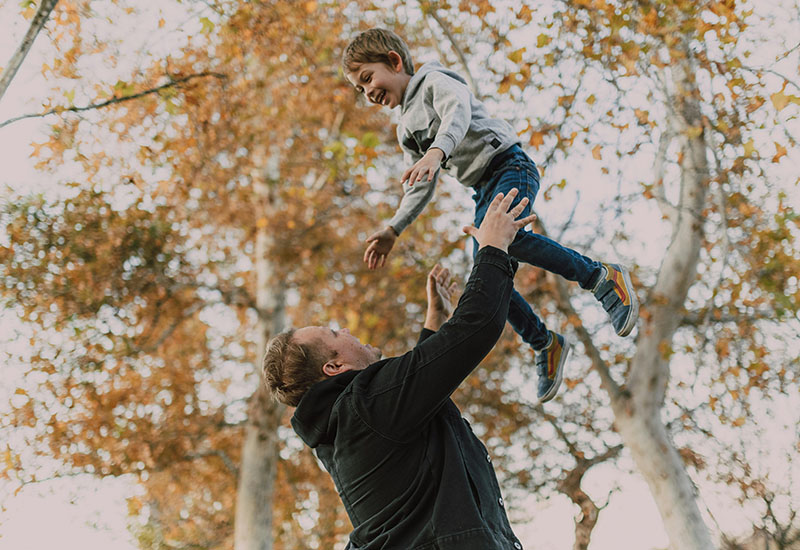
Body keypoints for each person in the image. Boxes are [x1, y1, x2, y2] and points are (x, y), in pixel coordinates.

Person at [342, 28, 638, 402]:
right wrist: (393, 228)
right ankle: (544, 342)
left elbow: (458, 111)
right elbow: (419, 185)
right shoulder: (405, 129)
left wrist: (437, 151)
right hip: (483, 190)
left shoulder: (434, 81)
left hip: (509, 166)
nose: (367, 92)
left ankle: (600, 276)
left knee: (504, 242)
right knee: (487, 271)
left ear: (394, 61)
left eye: (367, 78)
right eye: (359, 88)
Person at [263, 190, 534, 550]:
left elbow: (413, 401)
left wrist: (434, 323)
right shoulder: (365, 406)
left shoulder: (351, 423)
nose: (344, 329)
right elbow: (474, 329)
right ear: (334, 366)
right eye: (333, 333)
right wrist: (493, 249)